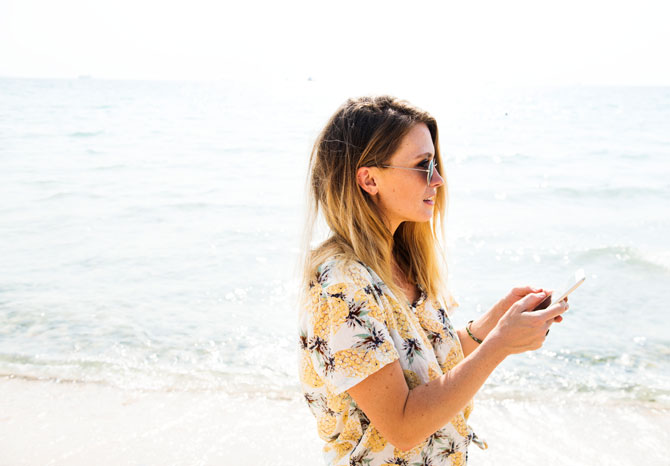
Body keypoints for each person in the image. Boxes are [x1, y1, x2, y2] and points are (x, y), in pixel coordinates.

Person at [298, 95, 568, 466]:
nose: (438, 179)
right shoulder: (341, 287)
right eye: (423, 165)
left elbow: (417, 363)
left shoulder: (401, 261)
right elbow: (402, 426)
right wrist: (500, 345)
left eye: (435, 163)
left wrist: (490, 326)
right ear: (369, 179)